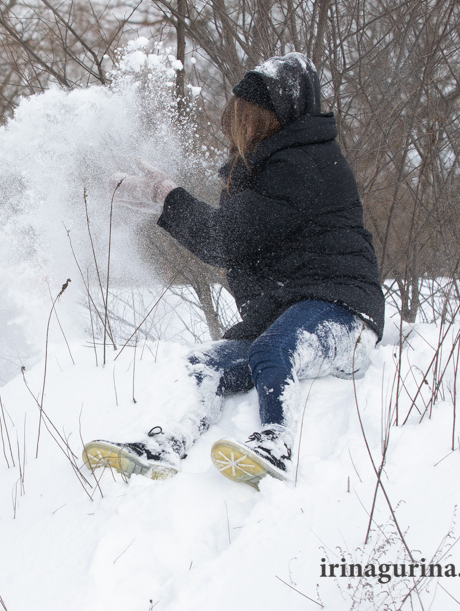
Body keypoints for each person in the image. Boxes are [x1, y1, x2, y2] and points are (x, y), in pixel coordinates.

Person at [82, 53, 385, 488]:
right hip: (288, 309)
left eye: (245, 119)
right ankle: (168, 443)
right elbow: (230, 235)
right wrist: (162, 198)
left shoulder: (303, 165)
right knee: (204, 363)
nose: (236, 129)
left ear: (269, 119)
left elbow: (223, 240)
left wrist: (167, 197)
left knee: (273, 349)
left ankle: (275, 441)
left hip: (344, 312)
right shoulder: (266, 169)